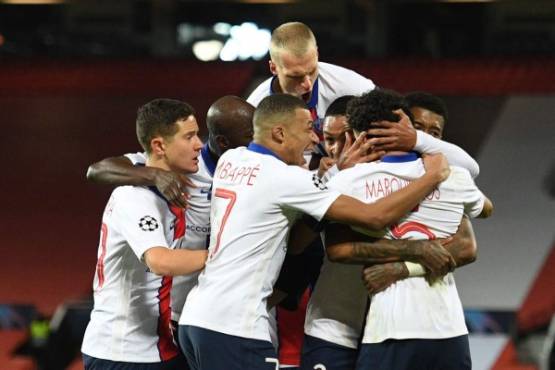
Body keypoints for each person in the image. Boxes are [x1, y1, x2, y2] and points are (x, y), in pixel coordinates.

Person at [178, 93, 451, 370]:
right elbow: (375, 217)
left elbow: (297, 236)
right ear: (280, 133)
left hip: (196, 318)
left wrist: (337, 173)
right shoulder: (287, 179)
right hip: (235, 326)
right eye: (308, 129)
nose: (314, 140)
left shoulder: (232, 159)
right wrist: (432, 177)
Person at [326, 89, 492, 370]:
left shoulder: (348, 184)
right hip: (448, 329)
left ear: (360, 137)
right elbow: (486, 209)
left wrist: (401, 267)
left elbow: (337, 249)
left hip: (390, 329)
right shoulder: (455, 176)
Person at [85, 96, 255, 325]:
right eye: (250, 136)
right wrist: (155, 175)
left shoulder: (252, 174)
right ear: (224, 141)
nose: (198, 144)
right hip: (168, 312)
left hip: (213, 308)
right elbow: (97, 170)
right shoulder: (165, 172)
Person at [81, 98, 209, 369]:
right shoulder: (134, 196)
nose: (199, 144)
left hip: (160, 346)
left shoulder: (180, 181)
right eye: (189, 137)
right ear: (159, 146)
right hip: (122, 351)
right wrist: (225, 256)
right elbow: (160, 261)